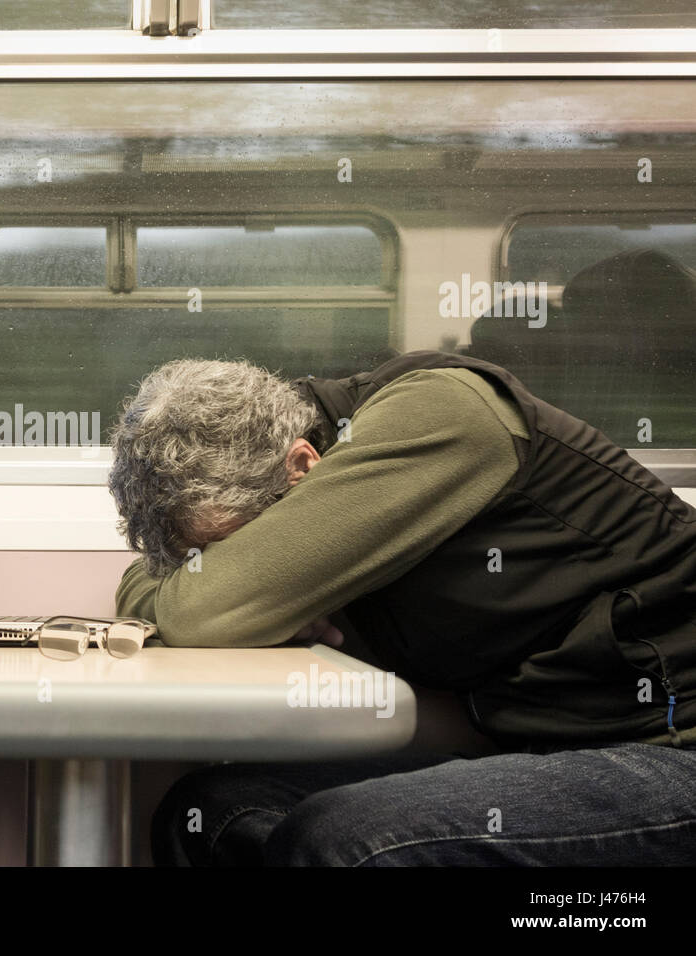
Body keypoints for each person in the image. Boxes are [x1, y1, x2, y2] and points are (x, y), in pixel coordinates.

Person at [109, 352, 696, 865]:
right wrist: (216, 584)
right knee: (211, 811)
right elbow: (156, 584)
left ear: (305, 466)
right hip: (546, 749)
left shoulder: (438, 414)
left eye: (231, 548)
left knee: (347, 838)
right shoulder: (313, 485)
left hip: (667, 749)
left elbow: (196, 611)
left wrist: (224, 596)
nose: (225, 567)